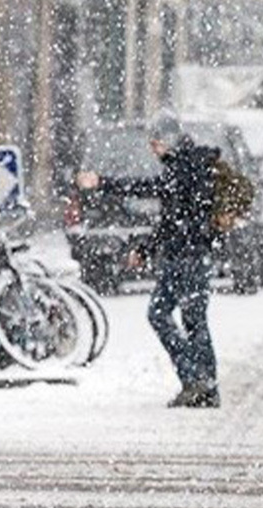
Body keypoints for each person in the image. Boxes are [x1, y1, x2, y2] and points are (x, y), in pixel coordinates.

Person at [76, 114, 222, 408]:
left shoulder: (183, 169)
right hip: (189, 254)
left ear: (169, 140)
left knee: (164, 314)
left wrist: (104, 183)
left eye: (156, 143)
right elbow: (169, 214)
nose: (153, 149)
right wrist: (148, 249)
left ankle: (198, 380)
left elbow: (164, 210)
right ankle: (204, 384)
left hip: (186, 256)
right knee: (192, 320)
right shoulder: (189, 165)